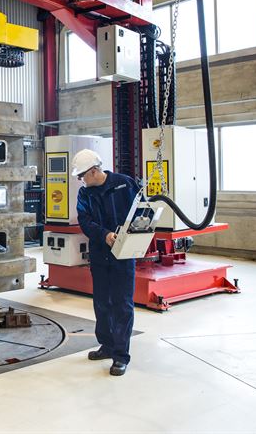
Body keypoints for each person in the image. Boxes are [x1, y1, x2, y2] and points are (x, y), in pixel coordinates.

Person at [72, 149, 140, 376]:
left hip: (123, 254)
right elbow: (85, 221)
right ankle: (107, 345)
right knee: (102, 302)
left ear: (93, 171)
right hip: (100, 253)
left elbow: (141, 212)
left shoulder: (124, 184)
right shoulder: (85, 194)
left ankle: (121, 356)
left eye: (82, 175)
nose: (81, 180)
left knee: (122, 303)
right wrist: (105, 235)